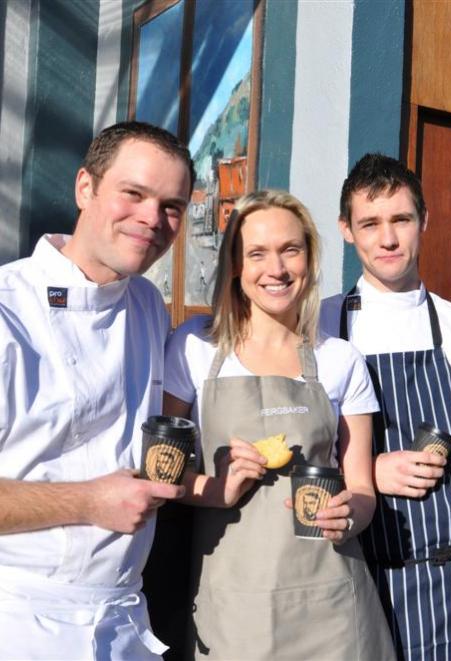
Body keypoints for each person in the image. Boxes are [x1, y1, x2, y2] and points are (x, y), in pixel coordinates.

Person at [163, 190, 395, 660]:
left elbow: (363, 490)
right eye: (257, 253)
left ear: (309, 258)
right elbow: (158, 472)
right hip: (233, 609)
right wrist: (215, 490)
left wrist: (350, 514)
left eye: (291, 249)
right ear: (234, 265)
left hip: (332, 604)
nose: (277, 268)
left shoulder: (340, 360)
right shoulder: (193, 347)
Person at [0, 121, 194, 659]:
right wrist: (88, 501)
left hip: (126, 615)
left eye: (172, 206)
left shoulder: (149, 306)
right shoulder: (7, 310)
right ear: (85, 188)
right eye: (133, 193)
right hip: (19, 615)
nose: (152, 219)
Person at [320, 153, 451, 660]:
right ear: (346, 230)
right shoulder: (321, 327)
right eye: (370, 223)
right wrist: (368, 469)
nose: (388, 238)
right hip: (362, 581)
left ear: (424, 220)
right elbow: (295, 452)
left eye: (400, 219)